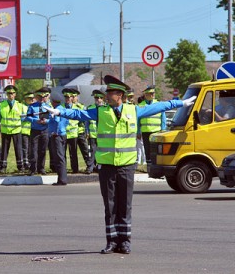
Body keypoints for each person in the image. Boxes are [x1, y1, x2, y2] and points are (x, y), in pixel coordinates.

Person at [43, 75, 196, 255]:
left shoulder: (133, 110)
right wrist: (59, 112)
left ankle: (125, 242)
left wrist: (180, 103)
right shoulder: (100, 111)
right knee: (110, 205)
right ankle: (112, 241)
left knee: (125, 204)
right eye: (107, 93)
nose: (107, 96)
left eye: (111, 93)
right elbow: (78, 114)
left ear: (120, 95)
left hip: (126, 165)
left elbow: (158, 107)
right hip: (107, 165)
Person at [0, 85, 25, 174]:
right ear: (6, 94)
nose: (11, 95)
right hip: (6, 131)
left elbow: (23, 117)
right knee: (4, 150)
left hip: (16, 130)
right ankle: (3, 167)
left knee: (18, 149)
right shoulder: (1, 105)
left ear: (15, 94)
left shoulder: (20, 105)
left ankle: (20, 167)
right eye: (9, 93)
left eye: (12, 93)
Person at [25, 87, 51, 176]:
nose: (41, 99)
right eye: (39, 97)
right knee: (33, 150)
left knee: (43, 150)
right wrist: (35, 120)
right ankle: (32, 168)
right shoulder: (32, 106)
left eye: (43, 97)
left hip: (45, 130)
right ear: (36, 97)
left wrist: (46, 121)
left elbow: (52, 118)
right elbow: (27, 117)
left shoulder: (49, 107)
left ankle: (41, 168)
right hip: (35, 130)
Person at [137, 85, 166, 163]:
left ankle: (157, 163)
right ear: (146, 95)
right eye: (150, 93)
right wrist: (138, 131)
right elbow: (138, 120)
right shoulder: (141, 106)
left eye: (153, 93)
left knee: (156, 149)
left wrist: (163, 129)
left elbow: (163, 118)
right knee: (147, 149)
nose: (153, 95)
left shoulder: (158, 104)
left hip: (157, 131)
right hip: (145, 131)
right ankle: (149, 164)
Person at [48, 93, 69, 185]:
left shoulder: (56, 110)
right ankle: (62, 178)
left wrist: (55, 132)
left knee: (59, 157)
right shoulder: (63, 109)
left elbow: (56, 121)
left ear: (53, 102)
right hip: (63, 134)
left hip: (57, 136)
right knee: (62, 156)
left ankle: (62, 179)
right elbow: (67, 121)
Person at [71, 88, 93, 174]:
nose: (73, 98)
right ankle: (75, 169)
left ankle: (89, 166)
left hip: (80, 132)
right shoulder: (68, 107)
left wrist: (86, 131)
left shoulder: (81, 106)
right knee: (73, 152)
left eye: (75, 96)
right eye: (72, 96)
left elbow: (85, 119)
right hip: (72, 133)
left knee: (85, 150)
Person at [86, 89, 105, 173]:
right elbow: (87, 122)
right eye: (96, 98)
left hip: (103, 135)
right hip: (92, 134)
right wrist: (87, 132)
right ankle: (90, 167)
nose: (98, 100)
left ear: (102, 98)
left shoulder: (106, 108)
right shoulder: (90, 108)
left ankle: (99, 167)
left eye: (100, 98)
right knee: (93, 151)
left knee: (101, 151)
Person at [62, 88, 80, 173]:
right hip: (63, 133)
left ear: (72, 98)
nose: (67, 99)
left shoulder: (77, 107)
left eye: (69, 97)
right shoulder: (61, 107)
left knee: (73, 153)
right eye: (66, 97)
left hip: (73, 134)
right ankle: (63, 169)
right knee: (62, 153)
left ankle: (75, 169)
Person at [21, 92, 34, 171]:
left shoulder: (34, 107)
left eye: (32, 99)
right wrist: (29, 117)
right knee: (25, 148)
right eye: (30, 99)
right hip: (24, 131)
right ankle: (25, 163)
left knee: (32, 148)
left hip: (33, 130)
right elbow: (22, 118)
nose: (32, 100)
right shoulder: (22, 107)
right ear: (26, 100)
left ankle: (31, 162)